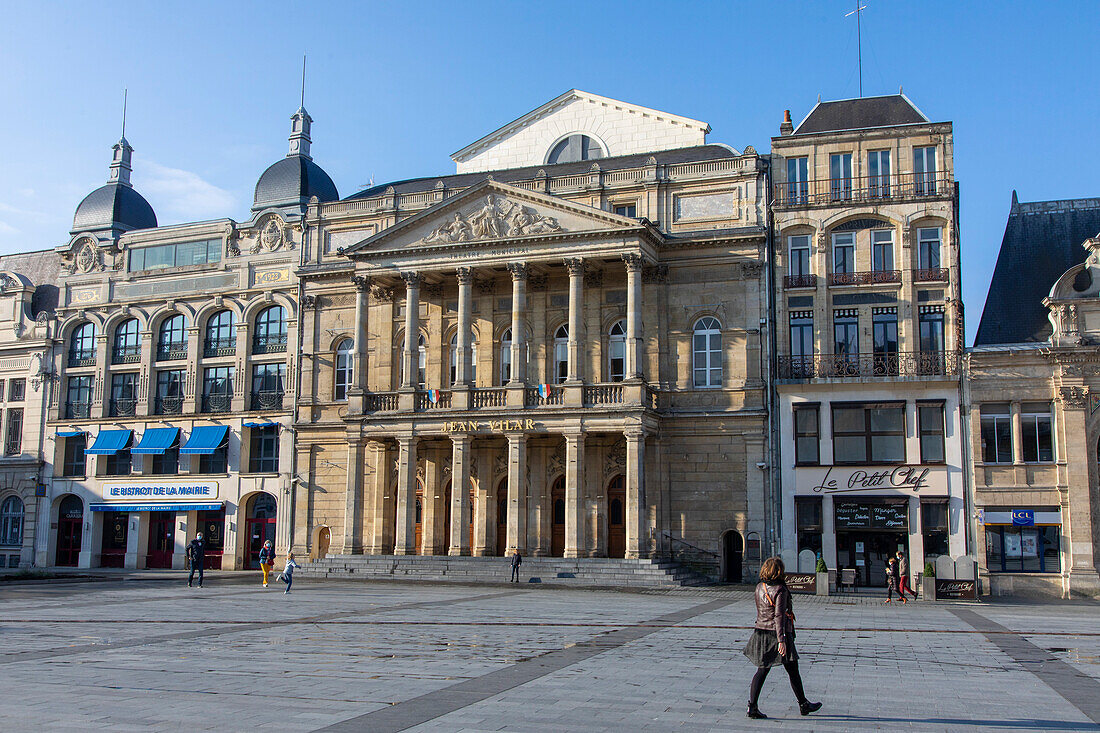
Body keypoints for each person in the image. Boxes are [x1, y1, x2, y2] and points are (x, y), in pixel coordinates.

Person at [743, 557, 822, 719]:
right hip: (777, 633)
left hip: (761, 631)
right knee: (792, 670)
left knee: (764, 669)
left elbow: (761, 610)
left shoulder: (759, 587)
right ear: (779, 571)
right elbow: (778, 615)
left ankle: (753, 706)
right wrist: (782, 640)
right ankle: (803, 704)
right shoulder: (780, 589)